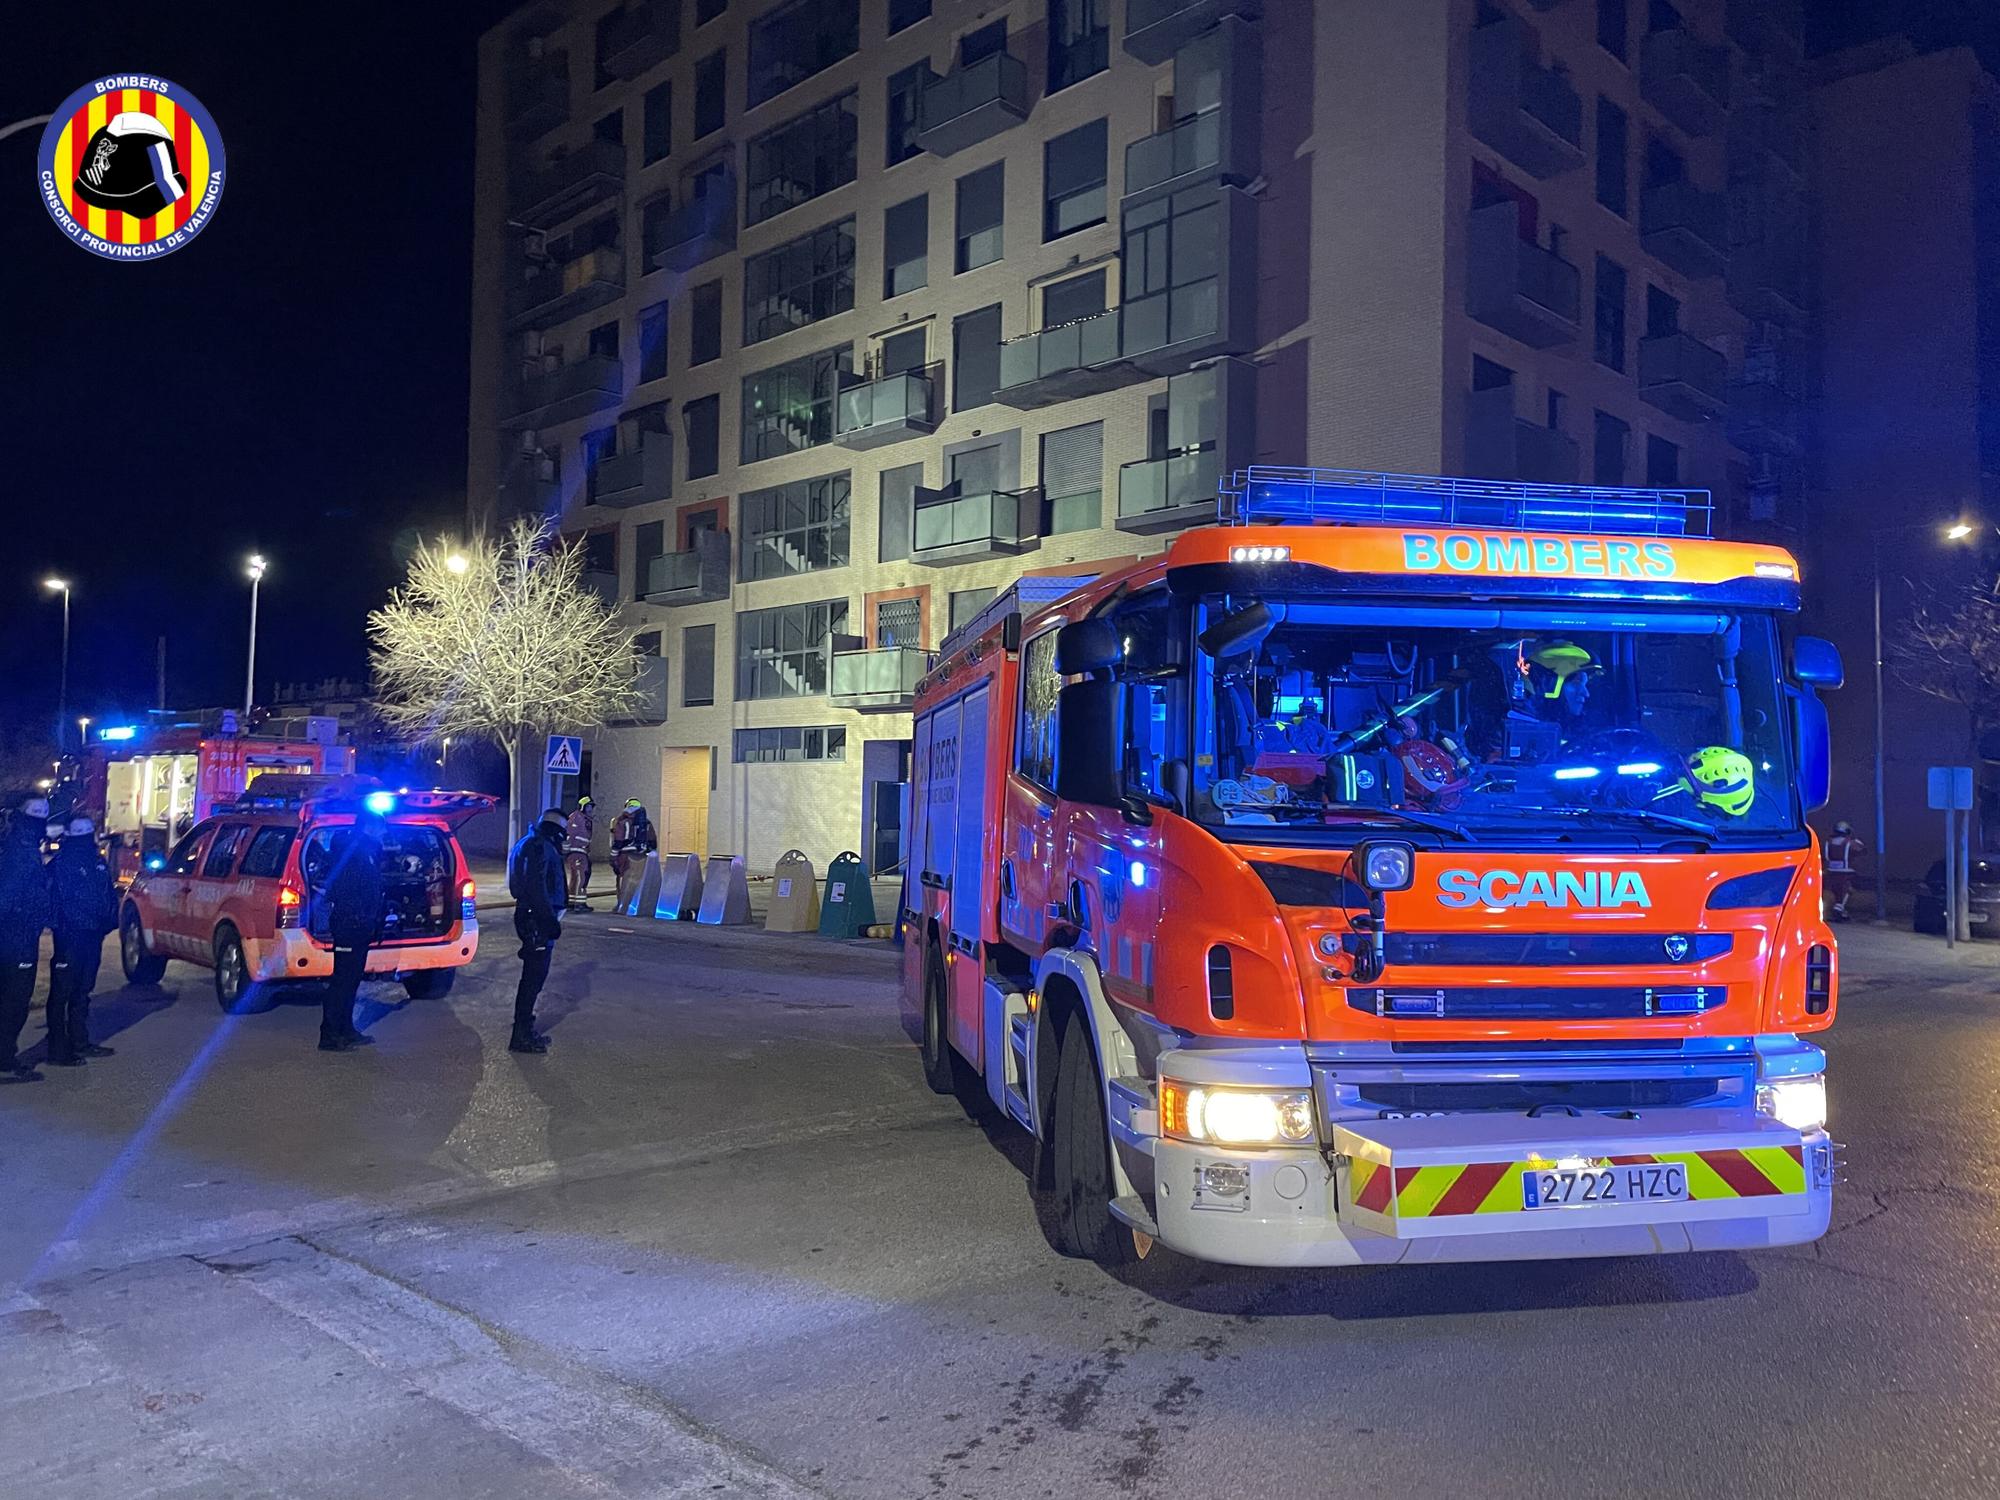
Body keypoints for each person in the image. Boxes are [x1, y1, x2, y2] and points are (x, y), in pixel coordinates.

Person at [46, 816, 119, 1067]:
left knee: (83, 990)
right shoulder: (61, 864)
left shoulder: (98, 862)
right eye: (80, 832)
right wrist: (74, 926)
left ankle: (79, 1041)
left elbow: (107, 894)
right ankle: (57, 1048)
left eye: (88, 831)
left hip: (92, 936)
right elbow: (59, 903)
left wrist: (108, 921)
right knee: (63, 993)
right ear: (70, 834)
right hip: (70, 937)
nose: (85, 836)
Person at [318, 809, 386, 1052]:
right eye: (381, 827)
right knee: (341, 981)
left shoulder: (366, 852)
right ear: (369, 826)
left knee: (352, 980)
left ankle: (346, 1030)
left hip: (360, 925)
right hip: (349, 924)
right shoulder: (352, 852)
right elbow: (345, 889)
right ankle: (329, 1035)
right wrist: (357, 916)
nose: (384, 833)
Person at [0, 798, 52, 1082]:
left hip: (14, 936)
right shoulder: (21, 853)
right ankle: (5, 1059)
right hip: (16, 939)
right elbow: (9, 896)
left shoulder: (14, 843)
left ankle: (5, 1057)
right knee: (15, 1002)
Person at [508, 808, 568, 1054]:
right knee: (533, 978)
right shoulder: (540, 847)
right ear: (556, 831)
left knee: (533, 977)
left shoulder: (529, 843)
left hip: (532, 917)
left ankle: (524, 1030)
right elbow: (536, 887)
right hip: (537, 920)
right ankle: (521, 1035)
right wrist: (550, 923)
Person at [609, 797, 656, 911]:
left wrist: (613, 857)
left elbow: (618, 841)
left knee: (623, 881)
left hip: (625, 856)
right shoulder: (647, 823)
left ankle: (622, 907)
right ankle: (636, 907)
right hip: (642, 855)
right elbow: (653, 841)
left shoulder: (622, 822)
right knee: (638, 881)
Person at [1824, 819, 1865, 922]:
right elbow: (1862, 850)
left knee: (1831, 892)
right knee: (1847, 890)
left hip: (1830, 872)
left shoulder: (1828, 842)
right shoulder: (1850, 843)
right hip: (1845, 872)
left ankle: (1834, 909)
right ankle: (1839, 908)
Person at [564, 795, 596, 910]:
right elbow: (579, 836)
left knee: (575, 877)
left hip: (577, 852)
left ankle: (572, 902)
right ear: (582, 807)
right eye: (588, 806)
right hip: (578, 852)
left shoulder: (577, 817)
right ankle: (580, 904)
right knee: (581, 877)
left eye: (591, 807)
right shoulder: (579, 818)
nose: (590, 809)